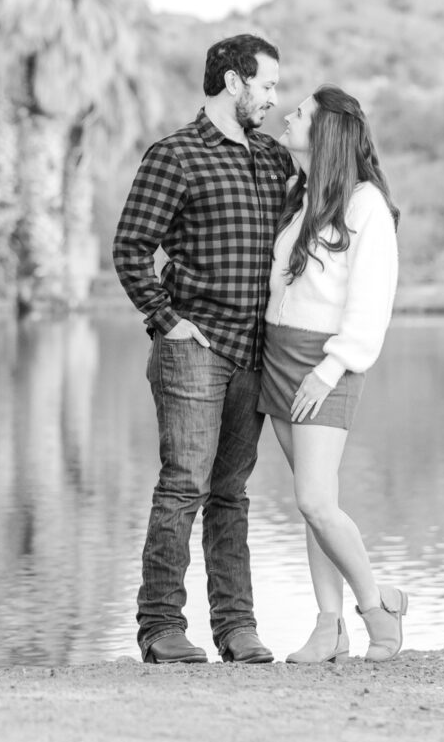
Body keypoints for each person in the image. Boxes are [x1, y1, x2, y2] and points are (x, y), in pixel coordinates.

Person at [112, 33, 293, 664]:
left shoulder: (273, 159)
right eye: (267, 85)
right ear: (236, 82)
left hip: (255, 349)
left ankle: (236, 628)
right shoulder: (176, 155)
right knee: (182, 485)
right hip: (194, 345)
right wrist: (166, 320)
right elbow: (131, 247)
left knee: (231, 494)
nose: (273, 98)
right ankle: (161, 626)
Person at [260, 84, 406, 663]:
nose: (287, 115)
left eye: (300, 113)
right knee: (310, 502)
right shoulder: (300, 196)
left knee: (317, 499)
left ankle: (378, 606)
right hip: (278, 355)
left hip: (326, 363)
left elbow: (372, 302)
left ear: (326, 132)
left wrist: (332, 366)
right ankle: (329, 625)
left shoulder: (365, 203)